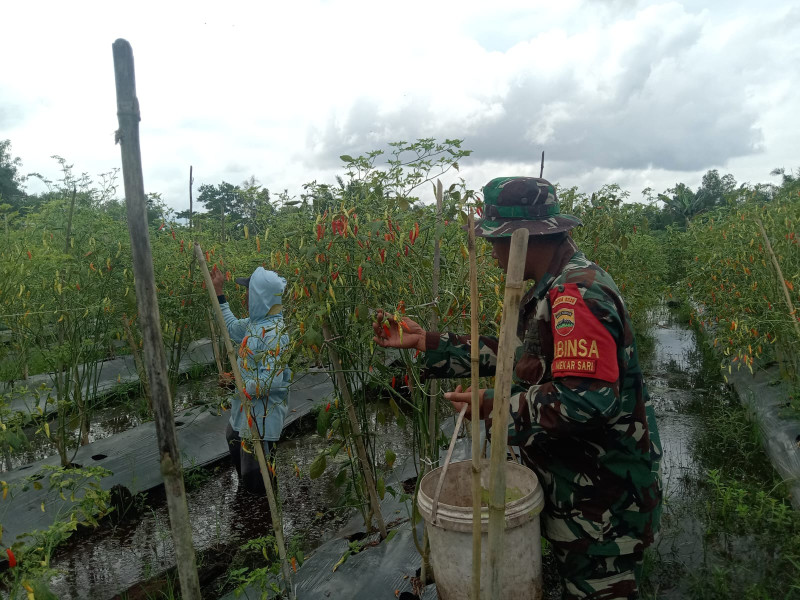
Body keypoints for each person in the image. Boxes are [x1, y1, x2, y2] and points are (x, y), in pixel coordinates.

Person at [373, 177, 662, 599]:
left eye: (494, 240)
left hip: (603, 503)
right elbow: (518, 359)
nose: (490, 251)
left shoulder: (575, 295)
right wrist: (427, 342)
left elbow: (586, 400)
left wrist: (496, 407)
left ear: (522, 238)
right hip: (582, 490)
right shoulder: (555, 287)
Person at [211, 265, 291, 496]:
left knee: (257, 479)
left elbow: (270, 383)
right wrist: (218, 291)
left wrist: (235, 382)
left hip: (260, 418)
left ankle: (264, 518)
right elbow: (230, 328)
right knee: (232, 437)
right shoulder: (254, 325)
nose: (246, 295)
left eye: (250, 291)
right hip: (242, 413)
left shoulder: (276, 334)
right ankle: (250, 510)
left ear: (261, 296)